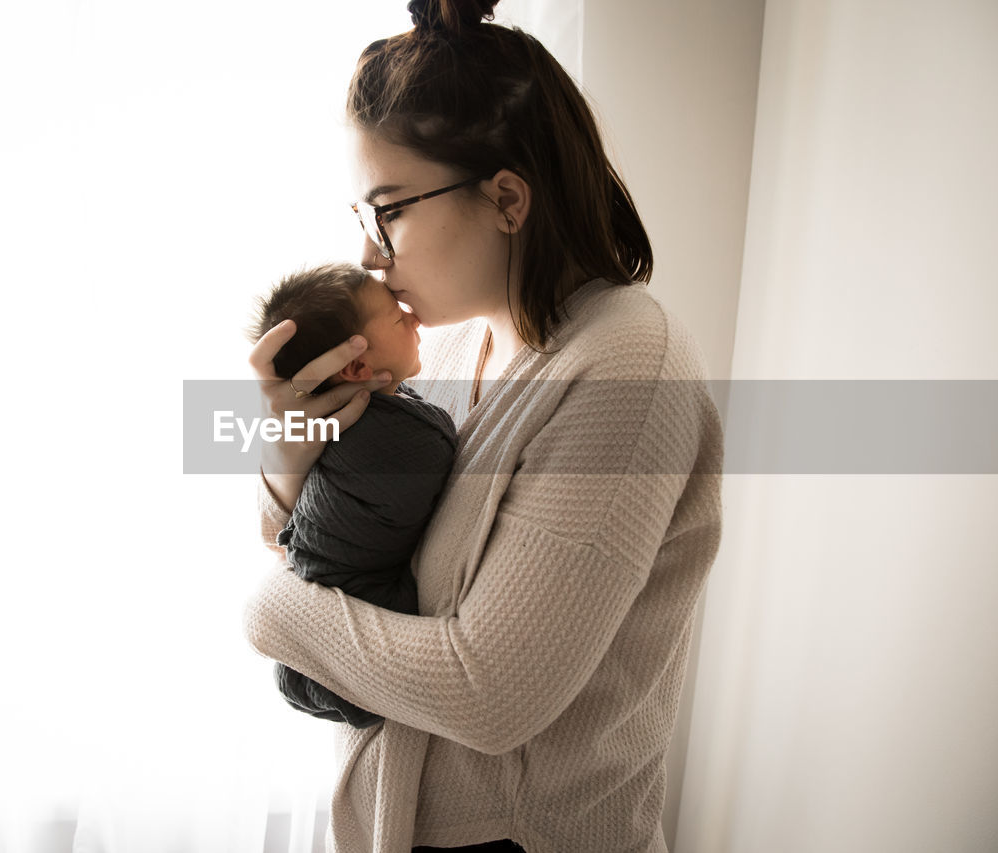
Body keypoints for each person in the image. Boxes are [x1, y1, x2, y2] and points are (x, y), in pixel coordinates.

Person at [244, 1, 723, 850]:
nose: (368, 255)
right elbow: (334, 537)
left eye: (389, 211)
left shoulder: (626, 369)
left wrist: (268, 611)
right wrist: (286, 460)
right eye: (362, 217)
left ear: (506, 198)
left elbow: (487, 693)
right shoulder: (450, 342)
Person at [246, 262, 457, 729]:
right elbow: (284, 531)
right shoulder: (398, 433)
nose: (413, 318)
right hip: (339, 635)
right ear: (358, 366)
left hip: (321, 625)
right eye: (399, 319)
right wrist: (283, 468)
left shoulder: (380, 414)